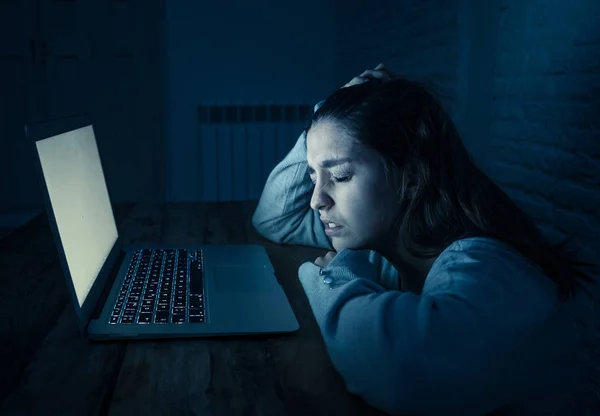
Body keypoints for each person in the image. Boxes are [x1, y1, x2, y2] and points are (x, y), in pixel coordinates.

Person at [252, 63, 594, 415]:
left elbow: (405, 369)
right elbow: (275, 216)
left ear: (411, 176)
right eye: (313, 176)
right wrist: (325, 116)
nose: (316, 199)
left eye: (340, 175)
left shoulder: (488, 266)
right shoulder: (382, 240)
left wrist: (337, 275)